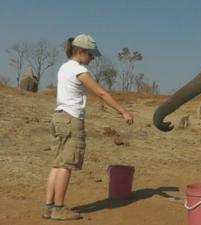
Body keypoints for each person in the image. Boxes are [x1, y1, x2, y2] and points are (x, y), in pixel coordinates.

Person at [42, 34, 134, 220]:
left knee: (57, 163)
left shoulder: (63, 67)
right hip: (72, 119)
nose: (92, 59)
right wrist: (123, 111)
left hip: (59, 118)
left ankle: (48, 207)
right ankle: (59, 208)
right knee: (66, 165)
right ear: (81, 51)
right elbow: (100, 93)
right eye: (91, 55)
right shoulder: (79, 70)